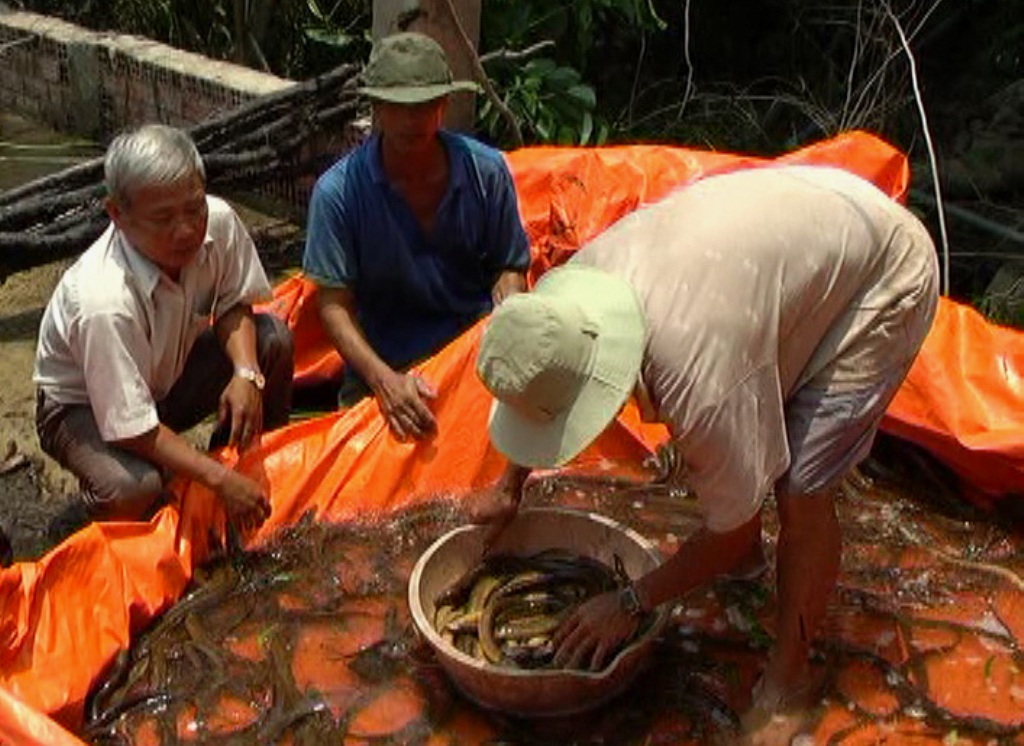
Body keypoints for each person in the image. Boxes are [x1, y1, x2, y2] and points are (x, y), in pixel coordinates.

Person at [472, 165, 939, 735]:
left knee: (801, 488)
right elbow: (542, 390)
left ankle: (789, 678)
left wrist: (630, 602)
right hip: (799, 237)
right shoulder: (574, 295)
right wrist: (509, 486)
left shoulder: (698, 377)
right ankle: (744, 561)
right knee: (734, 456)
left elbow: (733, 526)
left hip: (883, 279)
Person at [33, 124, 294, 536]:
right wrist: (217, 478)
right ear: (117, 214)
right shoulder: (102, 300)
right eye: (163, 218)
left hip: (163, 381)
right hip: (84, 409)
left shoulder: (218, 222)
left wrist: (246, 373)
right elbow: (130, 426)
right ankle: (82, 521)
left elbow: (232, 302)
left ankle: (248, 467)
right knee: (133, 488)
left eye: (194, 208)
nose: (186, 230)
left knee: (271, 340)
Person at [302, 31, 530, 441]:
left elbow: (509, 264)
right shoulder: (338, 194)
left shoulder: (486, 172)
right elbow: (333, 306)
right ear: (377, 108)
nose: (415, 119)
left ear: (444, 105)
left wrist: (509, 316)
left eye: (426, 105)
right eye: (401, 107)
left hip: (472, 359)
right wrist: (384, 382)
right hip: (383, 367)